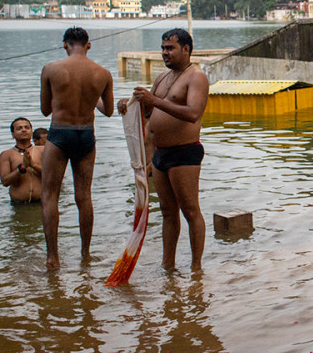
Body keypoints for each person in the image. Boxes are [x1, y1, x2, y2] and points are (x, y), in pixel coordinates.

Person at [119, 28, 209, 272]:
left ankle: (196, 268)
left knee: (190, 211)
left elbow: (192, 114)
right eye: (163, 48)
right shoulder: (161, 78)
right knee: (168, 212)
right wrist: (131, 107)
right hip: (160, 154)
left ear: (186, 49)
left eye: (170, 48)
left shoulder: (196, 77)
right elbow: (151, 113)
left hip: (184, 152)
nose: (164, 53)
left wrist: (155, 101)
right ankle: (167, 266)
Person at [40, 27, 114, 269]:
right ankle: (85, 254)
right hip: (86, 135)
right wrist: (91, 97)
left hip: (60, 133)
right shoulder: (103, 73)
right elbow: (109, 110)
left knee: (50, 195)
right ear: (89, 45)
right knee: (84, 197)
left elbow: (45, 110)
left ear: (65, 44)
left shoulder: (51, 69)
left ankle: (53, 258)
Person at [0, 117, 43, 205]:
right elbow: (5, 182)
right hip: (19, 204)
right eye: (19, 128)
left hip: (42, 202)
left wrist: (33, 165)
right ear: (13, 134)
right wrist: (22, 168)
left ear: (31, 132)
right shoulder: (6, 155)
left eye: (27, 127)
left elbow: (53, 175)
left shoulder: (43, 150)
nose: (24, 130)